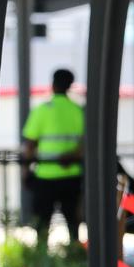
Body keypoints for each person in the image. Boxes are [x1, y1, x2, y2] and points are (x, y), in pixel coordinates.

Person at [21, 68, 84, 251]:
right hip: (72, 175)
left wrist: (25, 173)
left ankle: (41, 257)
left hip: (45, 176)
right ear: (70, 86)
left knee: (41, 223)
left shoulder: (41, 110)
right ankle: (74, 256)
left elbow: (30, 145)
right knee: (73, 223)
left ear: (53, 85)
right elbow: (85, 144)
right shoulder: (78, 111)